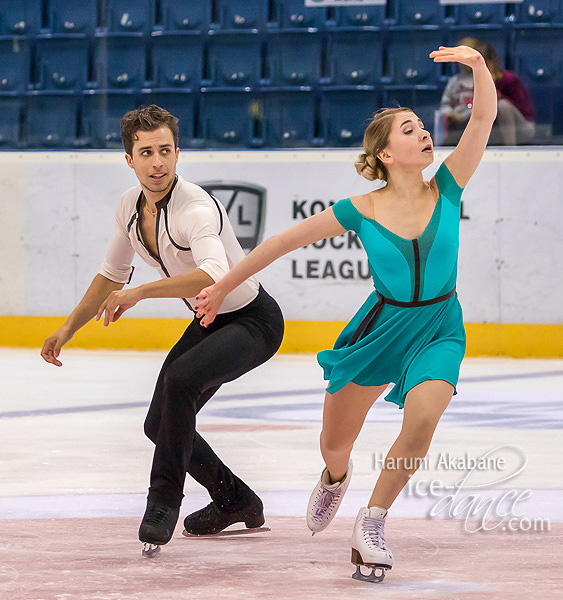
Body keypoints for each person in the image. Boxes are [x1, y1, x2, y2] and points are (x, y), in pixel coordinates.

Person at [194, 45, 497, 582]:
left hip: (440, 326)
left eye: (422, 128)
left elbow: (483, 117)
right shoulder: (360, 209)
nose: (424, 133)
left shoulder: (448, 188)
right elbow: (278, 244)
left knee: (423, 420)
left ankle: (373, 519)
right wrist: (221, 288)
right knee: (336, 442)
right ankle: (334, 477)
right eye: (408, 130)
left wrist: (475, 66)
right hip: (381, 329)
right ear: (384, 153)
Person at [40, 105, 284, 555]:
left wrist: (141, 293)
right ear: (128, 159)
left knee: (181, 380)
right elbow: (112, 274)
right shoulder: (129, 208)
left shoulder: (195, 207)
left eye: (166, 151)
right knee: (160, 423)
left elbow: (214, 271)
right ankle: (236, 499)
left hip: (253, 321)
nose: (158, 162)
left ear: (178, 153)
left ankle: (162, 503)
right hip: (208, 320)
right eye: (146, 152)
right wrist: (69, 327)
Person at [480, 42, 535, 146]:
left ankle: (510, 147)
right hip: (496, 131)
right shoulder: (479, 82)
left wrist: (499, 96)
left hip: (522, 127)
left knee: (502, 106)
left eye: (486, 64)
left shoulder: (511, 79)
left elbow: (523, 107)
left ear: (494, 61)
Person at [438, 37, 481, 145]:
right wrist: (450, 114)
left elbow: (483, 106)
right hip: (455, 122)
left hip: (473, 122)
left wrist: (466, 116)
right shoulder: (455, 80)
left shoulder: (481, 79)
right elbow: (445, 103)